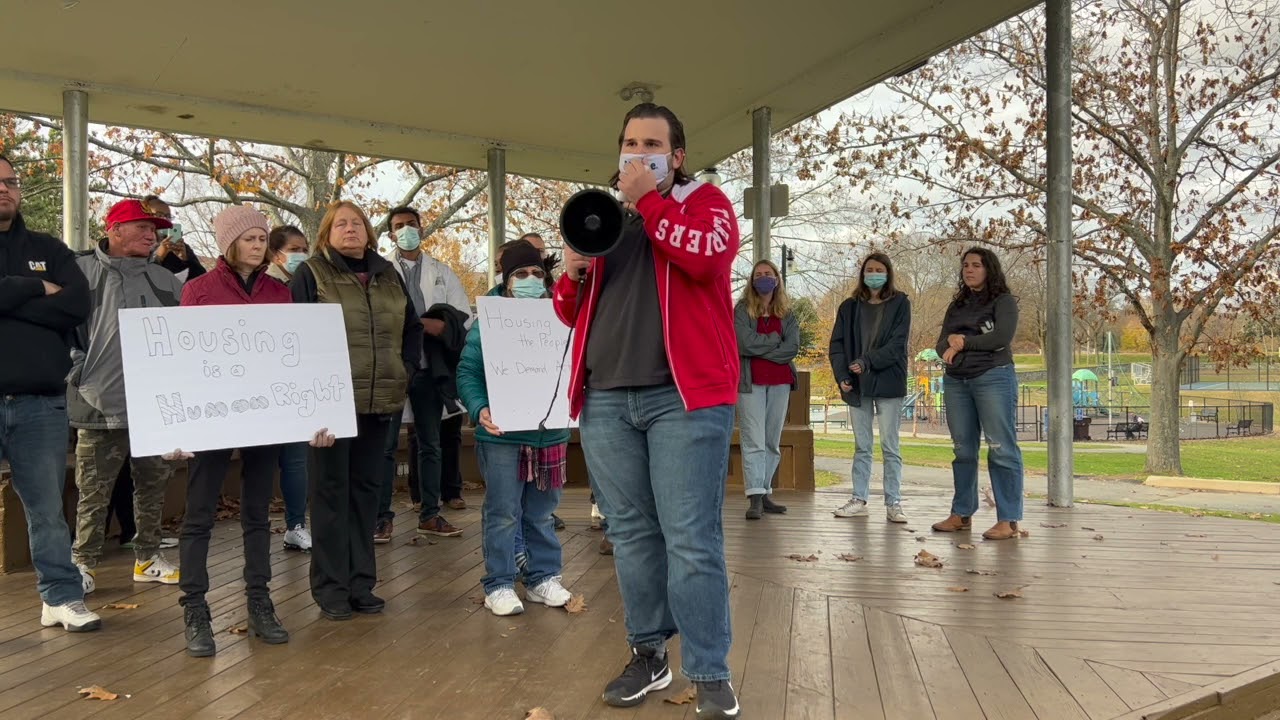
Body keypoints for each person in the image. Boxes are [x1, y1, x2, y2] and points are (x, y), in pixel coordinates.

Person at [553, 102, 741, 718]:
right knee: (631, 535)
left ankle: (710, 672)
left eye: (652, 144)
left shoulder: (706, 204)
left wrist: (651, 203)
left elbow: (706, 259)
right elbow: (570, 315)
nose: (638, 153)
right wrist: (572, 276)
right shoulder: (603, 220)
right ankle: (648, 654)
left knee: (690, 538)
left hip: (682, 398)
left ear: (676, 156)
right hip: (607, 397)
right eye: (629, 143)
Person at [168, 206, 336, 656]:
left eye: (263, 237)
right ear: (229, 242)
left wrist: (316, 413)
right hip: (212, 417)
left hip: (267, 416)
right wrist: (176, 423)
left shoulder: (281, 293)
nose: (259, 244)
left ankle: (260, 602)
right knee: (199, 512)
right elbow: (180, 364)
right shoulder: (198, 291)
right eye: (250, 238)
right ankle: (195, 607)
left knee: (259, 512)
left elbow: (298, 356)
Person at [289, 201, 420, 620]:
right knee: (329, 494)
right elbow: (295, 337)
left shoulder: (388, 274)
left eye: (357, 223)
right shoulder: (310, 274)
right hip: (330, 405)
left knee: (366, 494)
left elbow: (411, 327)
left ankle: (361, 583)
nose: (350, 229)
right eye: (341, 224)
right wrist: (310, 404)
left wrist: (407, 370)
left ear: (369, 232)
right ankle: (331, 587)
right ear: (326, 234)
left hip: (380, 401)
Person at [0, 155, 100, 632]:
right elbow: (56, 302)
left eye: (11, 182)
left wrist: (8, 302)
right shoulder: (44, 269)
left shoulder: (50, 247)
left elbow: (78, 304)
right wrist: (35, 288)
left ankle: (60, 597)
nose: (5, 189)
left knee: (46, 509)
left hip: (41, 403)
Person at [69, 199, 185, 592]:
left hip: (155, 406)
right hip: (99, 404)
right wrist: (77, 372)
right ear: (114, 229)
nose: (152, 234)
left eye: (156, 229)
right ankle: (82, 563)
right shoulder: (79, 272)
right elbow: (60, 331)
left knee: (153, 486)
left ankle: (148, 556)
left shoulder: (167, 280)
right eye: (142, 226)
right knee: (93, 490)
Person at [458, 241, 573, 616]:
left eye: (537, 273)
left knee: (542, 514)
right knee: (503, 512)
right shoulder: (488, 320)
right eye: (520, 274)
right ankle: (500, 583)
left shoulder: (563, 313)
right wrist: (479, 408)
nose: (529, 280)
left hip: (551, 433)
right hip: (503, 435)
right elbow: (468, 372)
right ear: (506, 279)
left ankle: (543, 577)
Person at [375, 206, 469, 544]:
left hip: (429, 369)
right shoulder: (379, 271)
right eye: (398, 227)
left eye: (411, 225)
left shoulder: (442, 271)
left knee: (431, 443)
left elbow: (463, 315)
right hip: (391, 370)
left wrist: (439, 324)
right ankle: (380, 518)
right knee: (385, 448)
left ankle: (430, 514)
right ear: (390, 235)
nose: (405, 231)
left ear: (421, 229)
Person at [931, 247, 1025, 541]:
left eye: (976, 265)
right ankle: (961, 513)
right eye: (965, 266)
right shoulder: (957, 304)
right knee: (963, 450)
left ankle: (1008, 520)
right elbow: (940, 343)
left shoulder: (1003, 301)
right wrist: (950, 345)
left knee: (1001, 448)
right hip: (957, 381)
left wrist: (962, 342)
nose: (969, 270)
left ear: (989, 269)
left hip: (993, 377)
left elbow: (1001, 338)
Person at [829, 252, 912, 523]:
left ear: (887, 273)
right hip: (857, 385)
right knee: (862, 446)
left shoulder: (900, 303)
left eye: (878, 269)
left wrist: (867, 362)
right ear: (862, 274)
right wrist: (842, 374)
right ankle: (859, 498)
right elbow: (837, 345)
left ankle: (894, 502)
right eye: (869, 269)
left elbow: (897, 345)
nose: (873, 273)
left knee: (890, 445)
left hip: (889, 382)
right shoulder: (849, 307)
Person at [734, 259, 798, 521]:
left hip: (780, 383)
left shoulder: (788, 312)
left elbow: (792, 347)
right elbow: (743, 343)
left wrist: (765, 348)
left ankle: (766, 491)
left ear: (776, 278)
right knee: (753, 441)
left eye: (768, 273)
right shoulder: (742, 310)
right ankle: (754, 497)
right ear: (752, 280)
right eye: (758, 274)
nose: (763, 277)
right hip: (751, 384)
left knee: (772, 441)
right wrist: (774, 341)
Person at [266, 225, 313, 552]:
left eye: (305, 247)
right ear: (275, 253)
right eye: (295, 248)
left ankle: (296, 524)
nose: (301, 254)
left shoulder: (307, 284)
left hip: (296, 387)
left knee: (297, 461)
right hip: (263, 388)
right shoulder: (265, 286)